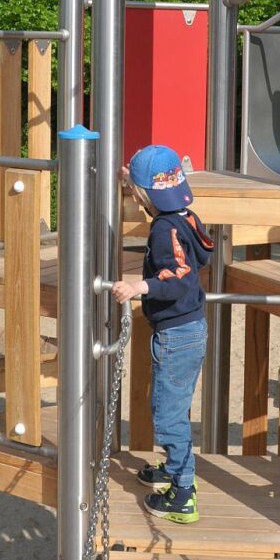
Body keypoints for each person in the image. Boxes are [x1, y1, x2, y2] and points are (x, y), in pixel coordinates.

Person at [111, 144, 212, 524]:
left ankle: (183, 492)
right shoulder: (185, 218)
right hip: (189, 329)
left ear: (141, 196)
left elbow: (180, 277)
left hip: (177, 334)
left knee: (168, 415)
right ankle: (172, 468)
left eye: (134, 191)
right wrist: (132, 179)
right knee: (171, 405)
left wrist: (140, 287)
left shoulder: (163, 230)